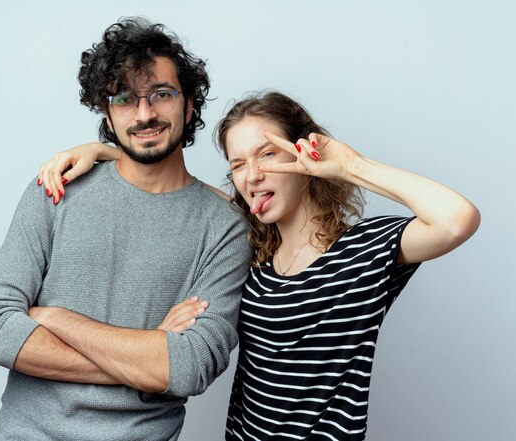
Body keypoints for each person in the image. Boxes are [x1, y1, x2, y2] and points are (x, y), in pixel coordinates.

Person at [37, 91, 480, 440]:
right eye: (238, 165)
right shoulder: (251, 252)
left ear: (306, 156)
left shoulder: (364, 249)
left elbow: (456, 219)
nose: (251, 176)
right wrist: (106, 151)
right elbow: (184, 189)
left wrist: (349, 165)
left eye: (266, 154)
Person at [0, 18, 252, 441]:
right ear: (107, 112)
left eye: (161, 94)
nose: (144, 113)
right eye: (123, 98)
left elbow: (190, 367)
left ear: (189, 104)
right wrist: (146, 356)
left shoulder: (225, 228)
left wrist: (57, 319)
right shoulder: (56, 189)